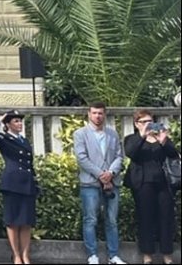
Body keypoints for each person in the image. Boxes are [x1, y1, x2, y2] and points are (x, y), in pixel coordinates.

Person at [74, 102, 128, 265]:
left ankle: (113, 255)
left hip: (112, 183)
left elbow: (120, 156)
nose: (98, 116)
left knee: (111, 220)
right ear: (89, 114)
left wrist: (110, 173)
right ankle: (92, 255)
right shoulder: (80, 134)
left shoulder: (112, 134)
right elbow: (82, 158)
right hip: (90, 183)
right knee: (90, 219)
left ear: (105, 115)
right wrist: (100, 175)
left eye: (101, 113)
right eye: (95, 113)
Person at [124, 109, 179, 265]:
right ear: (137, 124)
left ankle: (167, 255)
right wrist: (143, 135)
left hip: (163, 184)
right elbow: (130, 153)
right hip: (142, 184)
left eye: (150, 121)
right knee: (145, 218)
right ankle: (147, 254)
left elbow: (173, 155)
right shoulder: (131, 139)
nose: (148, 125)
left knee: (166, 219)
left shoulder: (161, 137)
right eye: (144, 122)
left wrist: (163, 140)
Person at [0, 110, 37, 265]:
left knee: (26, 221)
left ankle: (25, 254)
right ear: (8, 124)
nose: (20, 124)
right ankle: (16, 255)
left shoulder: (24, 140)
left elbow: (29, 163)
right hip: (13, 183)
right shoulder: (5, 139)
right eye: (15, 121)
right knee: (13, 221)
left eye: (20, 121)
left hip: (27, 183)